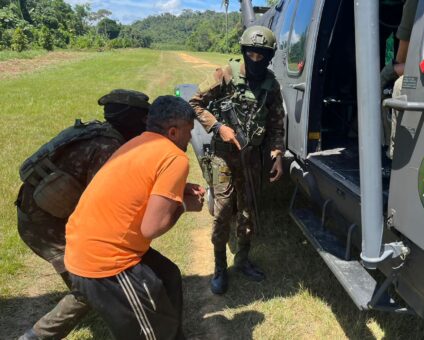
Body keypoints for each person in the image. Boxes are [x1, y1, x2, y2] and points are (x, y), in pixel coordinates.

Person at [64, 95, 204, 340]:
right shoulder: (175, 157)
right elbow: (152, 227)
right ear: (173, 131)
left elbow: (142, 185)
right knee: (152, 333)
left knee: (168, 275)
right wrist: (182, 205)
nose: (190, 138)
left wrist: (176, 192)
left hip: (82, 241)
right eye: (188, 131)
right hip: (105, 262)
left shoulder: (138, 143)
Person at [16, 89, 150, 340]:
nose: (145, 124)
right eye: (142, 118)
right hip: (44, 226)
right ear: (128, 118)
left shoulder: (101, 133)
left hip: (43, 214)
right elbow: (106, 207)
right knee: (90, 286)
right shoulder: (107, 148)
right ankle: (35, 336)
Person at [189, 26, 285, 295]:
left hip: (252, 157)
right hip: (223, 156)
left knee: (249, 210)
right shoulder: (225, 74)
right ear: (244, 51)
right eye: (251, 54)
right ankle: (220, 266)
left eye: (262, 56)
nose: (256, 60)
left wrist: (277, 155)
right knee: (222, 212)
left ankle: (242, 260)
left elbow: (277, 124)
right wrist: (219, 126)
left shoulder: (270, 84)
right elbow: (194, 103)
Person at [380, 0, 419, 159]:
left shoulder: (413, 3)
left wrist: (393, 67)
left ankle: (389, 149)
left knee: (387, 78)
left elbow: (401, 57)